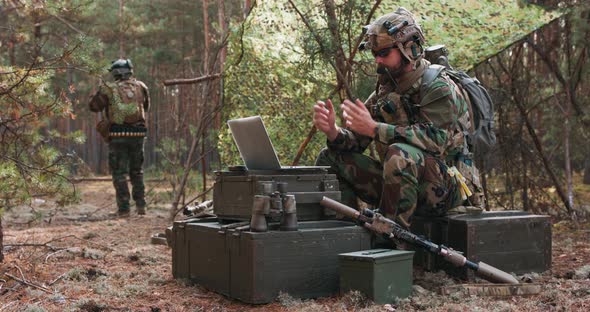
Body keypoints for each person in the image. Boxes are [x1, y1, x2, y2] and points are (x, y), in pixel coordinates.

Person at [312, 7, 483, 228]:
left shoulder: (438, 87)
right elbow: (355, 142)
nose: (378, 61)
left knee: (399, 155)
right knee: (329, 157)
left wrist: (376, 129)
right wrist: (334, 132)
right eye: (375, 55)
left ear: (409, 48)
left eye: (384, 53)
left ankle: (390, 240)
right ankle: (345, 231)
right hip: (401, 183)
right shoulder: (385, 91)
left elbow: (437, 141)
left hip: (448, 190)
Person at [89, 59, 150, 217]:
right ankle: (141, 206)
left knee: (119, 172)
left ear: (115, 73)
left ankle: (124, 210)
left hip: (118, 136)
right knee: (137, 171)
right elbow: (146, 107)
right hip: (138, 135)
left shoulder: (109, 88)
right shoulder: (141, 86)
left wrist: (96, 94)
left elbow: (93, 107)